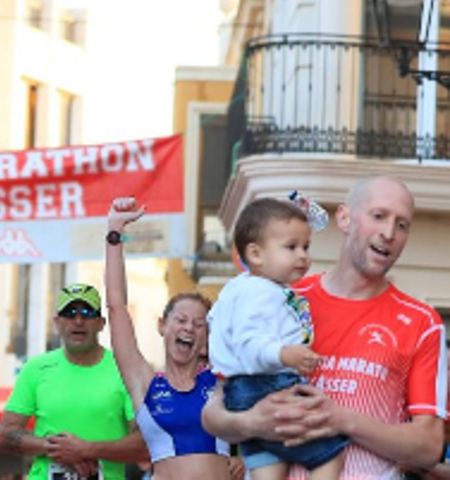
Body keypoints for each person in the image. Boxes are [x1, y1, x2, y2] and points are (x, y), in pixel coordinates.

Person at [202, 175, 448, 479]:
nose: (389, 233)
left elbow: (428, 446)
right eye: (378, 216)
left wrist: (344, 420)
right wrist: (250, 423)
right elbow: (213, 411)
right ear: (344, 218)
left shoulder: (423, 322)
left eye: (402, 224)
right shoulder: (280, 298)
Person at [207, 197, 349, 479]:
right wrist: (285, 354)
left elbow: (219, 331)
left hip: (241, 391)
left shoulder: (237, 290)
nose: (303, 256)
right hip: (268, 385)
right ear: (256, 254)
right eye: (291, 247)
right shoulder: (261, 292)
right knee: (330, 454)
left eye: (306, 247)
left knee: (268, 466)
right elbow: (249, 343)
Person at [104, 196, 234, 480]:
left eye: (199, 324)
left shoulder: (221, 382)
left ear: (208, 337)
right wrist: (114, 233)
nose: (189, 328)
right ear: (162, 326)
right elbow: (116, 307)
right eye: (181, 320)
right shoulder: (144, 384)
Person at [0, 283, 148, 480]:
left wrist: (86, 450)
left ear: (101, 323)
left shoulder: (124, 370)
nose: (78, 321)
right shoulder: (36, 369)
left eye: (87, 312)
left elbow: (145, 443)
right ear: (57, 322)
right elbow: (4, 436)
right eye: (69, 313)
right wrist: (55, 448)